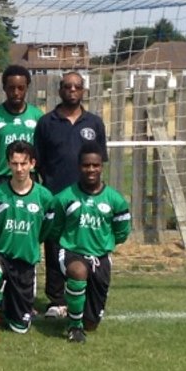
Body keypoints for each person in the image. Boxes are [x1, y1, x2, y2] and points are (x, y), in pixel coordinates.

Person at [34, 71, 108, 319]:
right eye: (67, 86)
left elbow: (99, 161)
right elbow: (39, 162)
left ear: (83, 90)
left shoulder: (94, 123)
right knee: (55, 248)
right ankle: (56, 300)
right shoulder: (46, 122)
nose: (72, 90)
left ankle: (86, 297)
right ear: (60, 90)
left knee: (87, 246)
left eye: (77, 86)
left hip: (88, 199)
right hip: (56, 197)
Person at [48, 143, 130, 343]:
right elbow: (54, 229)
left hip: (100, 257)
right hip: (71, 252)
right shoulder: (64, 198)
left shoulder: (115, 200)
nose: (91, 169)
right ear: (79, 167)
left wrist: (103, 244)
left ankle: (79, 312)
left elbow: (121, 232)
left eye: (95, 165)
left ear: (102, 166)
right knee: (78, 271)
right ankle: (74, 327)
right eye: (86, 165)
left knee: (91, 324)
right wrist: (67, 244)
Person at [0, 141, 55, 344]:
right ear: (8, 164)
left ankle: (5, 307)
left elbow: (46, 229)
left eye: (24, 163)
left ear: (32, 164)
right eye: (14, 163)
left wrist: (31, 242)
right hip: (0, 252)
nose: (19, 168)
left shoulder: (45, 197)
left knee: (19, 328)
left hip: (25, 259)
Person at [0, 65, 44, 187]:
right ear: (4, 88)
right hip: (1, 179)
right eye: (11, 88)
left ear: (27, 88)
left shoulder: (37, 116)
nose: (16, 93)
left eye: (20, 88)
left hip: (29, 177)